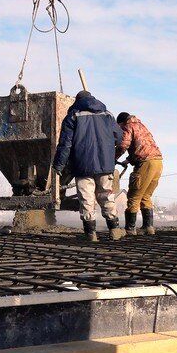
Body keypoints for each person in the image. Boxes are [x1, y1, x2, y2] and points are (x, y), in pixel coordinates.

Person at [53, 91, 125, 241]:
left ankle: (91, 233)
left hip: (82, 164)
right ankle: (114, 230)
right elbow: (119, 137)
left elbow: (65, 144)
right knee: (106, 195)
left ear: (77, 101)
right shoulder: (107, 114)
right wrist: (107, 146)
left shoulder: (73, 116)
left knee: (86, 198)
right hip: (105, 164)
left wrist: (58, 166)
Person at [115, 112, 163, 235]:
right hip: (158, 162)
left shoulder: (128, 126)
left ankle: (130, 229)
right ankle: (148, 227)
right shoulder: (141, 126)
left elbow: (123, 144)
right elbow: (142, 146)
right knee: (146, 196)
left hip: (145, 163)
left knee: (134, 196)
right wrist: (128, 160)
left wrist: (113, 157)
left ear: (121, 123)